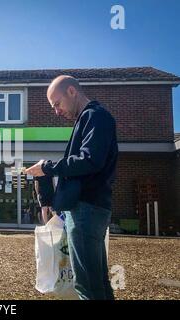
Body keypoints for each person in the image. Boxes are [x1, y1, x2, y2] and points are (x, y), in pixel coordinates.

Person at [26, 75, 118, 300]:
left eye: (57, 104)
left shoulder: (96, 116)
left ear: (71, 92)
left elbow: (89, 160)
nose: (56, 111)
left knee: (87, 286)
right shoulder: (90, 118)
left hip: (86, 210)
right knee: (98, 283)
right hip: (89, 208)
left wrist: (47, 168)